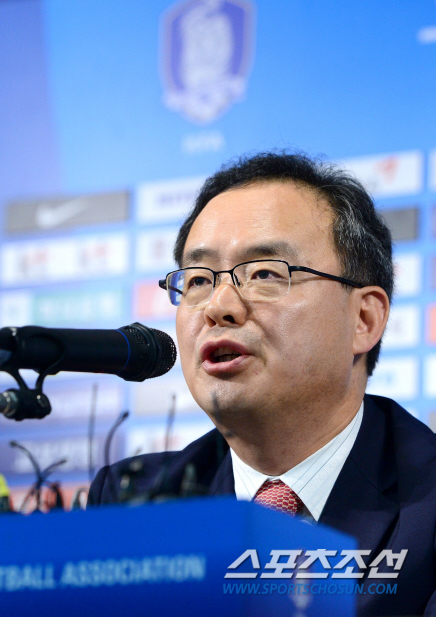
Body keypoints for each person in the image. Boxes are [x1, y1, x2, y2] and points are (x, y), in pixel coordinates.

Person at [88, 151, 436, 616]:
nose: (218, 306)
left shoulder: (427, 507)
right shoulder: (134, 505)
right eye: (198, 280)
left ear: (363, 319)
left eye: (265, 273)